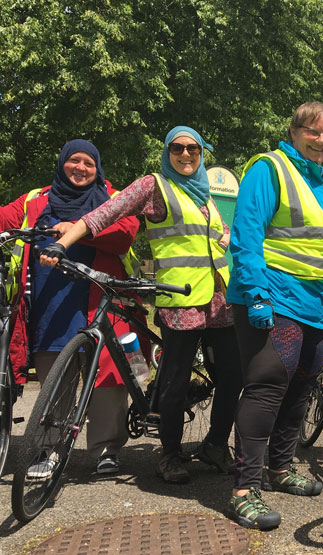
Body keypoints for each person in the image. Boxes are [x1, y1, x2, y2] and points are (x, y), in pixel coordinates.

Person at [39, 127, 243, 485]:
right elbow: (104, 214)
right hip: (179, 299)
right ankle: (170, 455)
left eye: (193, 149)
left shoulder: (205, 194)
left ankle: (214, 445)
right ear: (167, 152)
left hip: (219, 300)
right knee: (174, 382)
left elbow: (219, 239)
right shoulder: (154, 185)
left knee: (232, 376)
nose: (185, 155)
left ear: (201, 154)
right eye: (177, 148)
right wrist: (63, 244)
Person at [0, 140, 138, 475]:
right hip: (51, 305)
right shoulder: (37, 199)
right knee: (54, 378)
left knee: (107, 377)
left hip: (101, 301)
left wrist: (78, 230)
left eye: (88, 163)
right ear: (62, 162)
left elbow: (126, 231)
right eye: (74, 161)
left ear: (98, 168)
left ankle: (105, 450)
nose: (81, 168)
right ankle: (48, 449)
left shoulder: (112, 196)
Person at [225, 102, 323, 530]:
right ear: (293, 132)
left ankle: (279, 468)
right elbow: (246, 236)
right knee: (268, 387)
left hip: (315, 305)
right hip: (273, 297)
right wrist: (256, 294)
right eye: (313, 131)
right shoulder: (269, 169)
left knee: (303, 386)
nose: (321, 141)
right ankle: (243, 489)